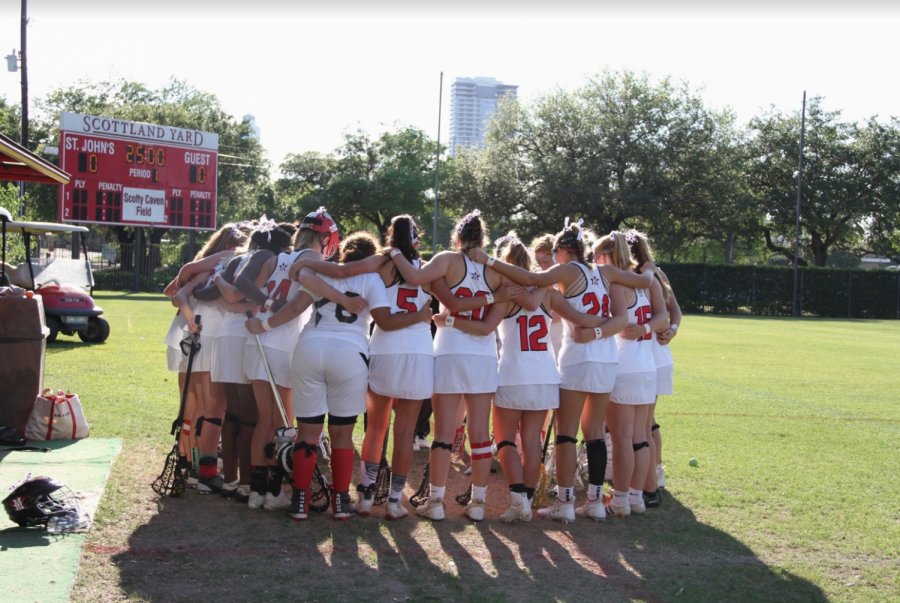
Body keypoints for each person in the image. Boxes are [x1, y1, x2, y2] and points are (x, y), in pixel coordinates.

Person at [467, 218, 656, 522]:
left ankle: (566, 503)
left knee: (567, 434)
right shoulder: (605, 271)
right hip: (607, 358)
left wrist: (489, 260)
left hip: (577, 357)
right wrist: (649, 267)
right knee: (594, 433)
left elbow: (531, 277)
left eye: (554, 253)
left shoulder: (568, 270)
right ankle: (595, 501)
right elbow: (643, 286)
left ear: (562, 250)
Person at [248, 231, 430, 521]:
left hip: (309, 349)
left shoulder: (322, 276)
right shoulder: (372, 279)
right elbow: (384, 318)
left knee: (307, 432)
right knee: (342, 433)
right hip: (349, 353)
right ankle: (341, 502)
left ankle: (300, 501)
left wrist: (265, 325)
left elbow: (295, 307)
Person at [439, 232, 612, 522]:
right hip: (545, 374)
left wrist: (448, 319)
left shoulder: (504, 291)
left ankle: (519, 499)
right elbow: (580, 318)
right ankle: (527, 501)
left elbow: (483, 327)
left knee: (506, 440)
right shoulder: (548, 292)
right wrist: (607, 323)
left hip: (512, 372)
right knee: (532, 441)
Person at [386, 210, 511, 522]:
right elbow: (489, 325)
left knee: (443, 432)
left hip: (449, 351)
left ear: (458, 237)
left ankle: (437, 501)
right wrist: (490, 298)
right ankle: (478, 503)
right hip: (483, 356)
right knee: (481, 435)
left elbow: (417, 279)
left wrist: (392, 251)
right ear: (484, 239)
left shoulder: (446, 259)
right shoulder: (497, 272)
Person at [573, 231, 668, 518]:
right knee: (640, 436)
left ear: (605, 256)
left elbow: (616, 319)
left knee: (624, 437)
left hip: (624, 364)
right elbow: (662, 317)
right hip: (646, 364)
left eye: (595, 255)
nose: (593, 261)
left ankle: (622, 499)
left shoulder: (614, 280)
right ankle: (636, 497)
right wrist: (646, 329)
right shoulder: (645, 280)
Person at [167, 223, 249, 493]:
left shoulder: (209, 265)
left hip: (193, 337)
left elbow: (176, 293)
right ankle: (206, 474)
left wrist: (190, 320)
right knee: (214, 408)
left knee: (196, 408)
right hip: (212, 337)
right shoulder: (231, 262)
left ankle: (192, 469)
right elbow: (177, 292)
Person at [624, 230, 681, 506]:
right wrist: (670, 327)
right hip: (652, 356)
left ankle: (650, 484)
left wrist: (670, 328)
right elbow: (672, 312)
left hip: (650, 356)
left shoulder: (646, 275)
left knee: (643, 426)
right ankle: (652, 478)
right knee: (648, 424)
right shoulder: (651, 273)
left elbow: (673, 311)